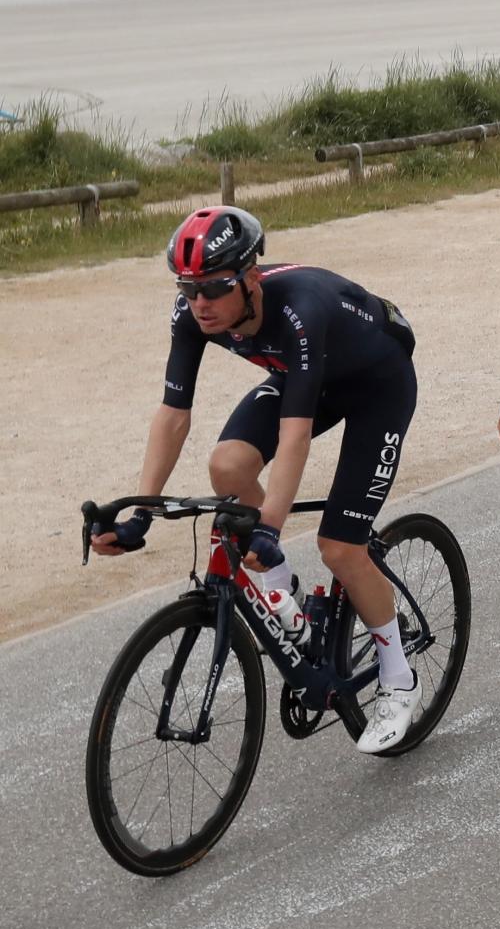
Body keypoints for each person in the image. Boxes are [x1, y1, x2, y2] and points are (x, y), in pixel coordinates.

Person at [93, 206, 424, 753]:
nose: (200, 303)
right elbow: (174, 415)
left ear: (249, 279)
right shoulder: (192, 315)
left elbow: (293, 437)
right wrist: (140, 514)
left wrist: (268, 527)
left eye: (215, 288)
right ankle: (282, 584)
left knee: (341, 547)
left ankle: (398, 676)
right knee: (228, 465)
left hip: (377, 384)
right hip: (305, 378)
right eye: (189, 287)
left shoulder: (298, 310)